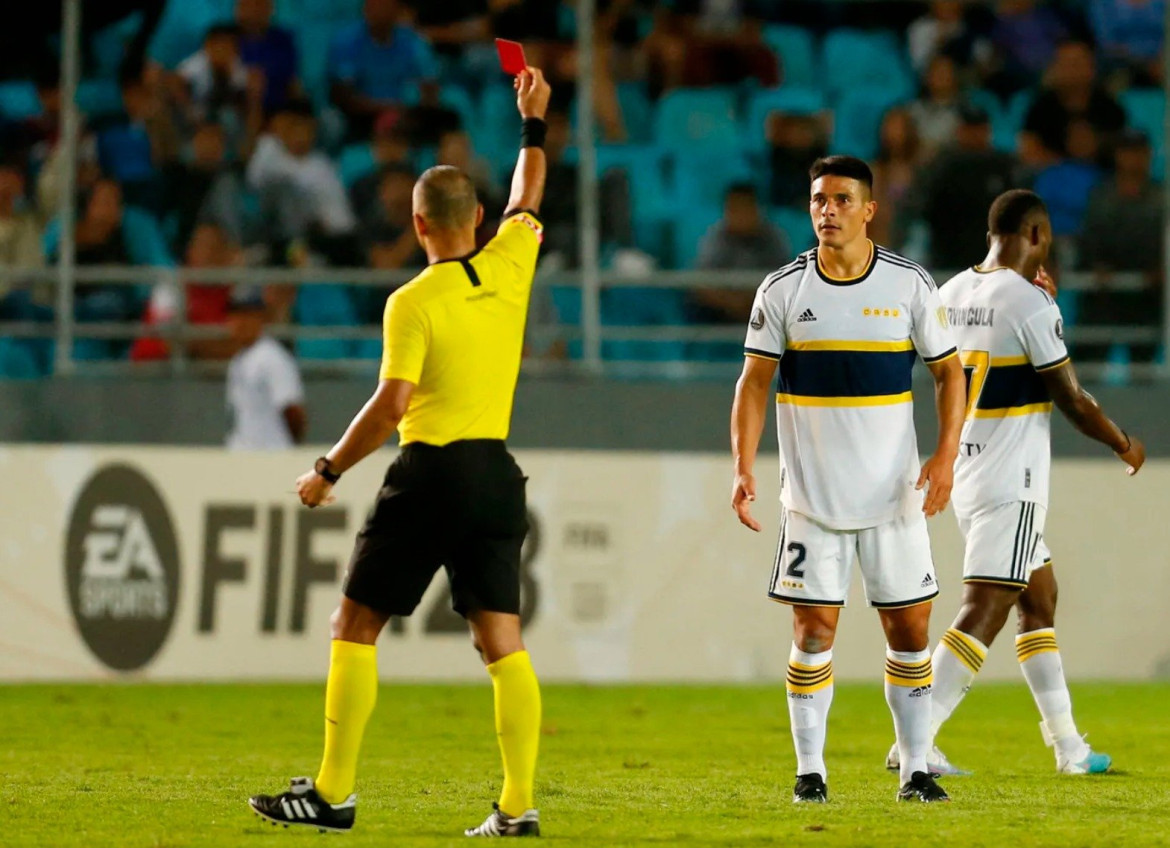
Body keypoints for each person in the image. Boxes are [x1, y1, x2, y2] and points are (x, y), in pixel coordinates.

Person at [247, 66, 551, 837]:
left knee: (354, 626)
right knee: (501, 642)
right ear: (478, 217)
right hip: (495, 473)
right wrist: (534, 125)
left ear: (418, 227)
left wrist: (327, 470)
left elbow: (392, 405)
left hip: (431, 471)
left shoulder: (412, 301)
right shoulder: (513, 261)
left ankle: (333, 793)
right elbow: (530, 193)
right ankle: (517, 807)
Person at [731, 155, 966, 804]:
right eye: (816, 200)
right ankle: (812, 772)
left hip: (895, 501)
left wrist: (945, 455)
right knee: (812, 634)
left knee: (911, 633)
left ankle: (916, 769)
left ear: (870, 209)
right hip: (812, 502)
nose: (826, 210)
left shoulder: (909, 285)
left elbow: (950, 373)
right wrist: (743, 465)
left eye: (840, 199)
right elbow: (753, 383)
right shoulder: (782, 290)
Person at [888, 189, 1145, 777]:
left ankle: (1069, 748)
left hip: (970, 470)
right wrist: (1124, 443)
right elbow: (1073, 398)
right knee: (984, 608)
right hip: (1013, 479)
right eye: (1047, 237)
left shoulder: (949, 292)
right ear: (1035, 234)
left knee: (1039, 598)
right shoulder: (1030, 302)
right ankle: (914, 740)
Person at [328, 0, 439, 140]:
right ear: (365, 8)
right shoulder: (346, 41)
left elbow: (430, 85)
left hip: (407, 116)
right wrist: (387, 109)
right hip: (361, 117)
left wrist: (410, 111)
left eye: (386, 5)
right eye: (374, 4)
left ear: (397, 9)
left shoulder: (413, 41)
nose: (379, 10)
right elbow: (342, 96)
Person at [225, 287, 307, 449]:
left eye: (248, 315)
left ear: (261, 318)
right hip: (244, 454)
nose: (241, 322)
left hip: (271, 453)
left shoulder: (273, 357)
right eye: (236, 315)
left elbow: (293, 411)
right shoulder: (238, 360)